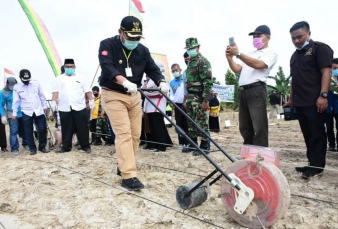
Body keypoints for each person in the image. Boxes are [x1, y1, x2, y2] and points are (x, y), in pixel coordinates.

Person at [98, 16, 168, 191]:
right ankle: (128, 175)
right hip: (114, 94)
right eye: (131, 37)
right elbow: (107, 67)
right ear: (120, 32)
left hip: (134, 96)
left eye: (138, 37)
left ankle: (123, 163)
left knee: (136, 134)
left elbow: (152, 67)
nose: (134, 41)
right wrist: (123, 81)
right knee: (123, 134)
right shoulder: (107, 45)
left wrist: (161, 81)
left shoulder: (142, 50)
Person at [283, 21, 333, 179]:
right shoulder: (294, 56)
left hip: (315, 100)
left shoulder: (320, 49)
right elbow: (294, 80)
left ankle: (317, 166)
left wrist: (323, 95)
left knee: (317, 133)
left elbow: (326, 72)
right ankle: (312, 162)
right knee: (307, 133)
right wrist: (291, 100)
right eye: (293, 38)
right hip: (300, 102)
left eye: (299, 37)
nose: (296, 40)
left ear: (309, 34)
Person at [226, 25, 278, 147]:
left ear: (268, 37)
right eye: (254, 36)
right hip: (244, 91)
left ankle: (260, 153)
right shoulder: (250, 53)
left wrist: (238, 54)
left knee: (259, 125)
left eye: (258, 36)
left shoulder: (271, 52)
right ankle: (248, 151)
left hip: (256, 89)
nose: (255, 39)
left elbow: (259, 64)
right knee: (245, 126)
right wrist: (230, 59)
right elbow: (238, 69)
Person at [51, 59, 94, 154]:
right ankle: (66, 147)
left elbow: (87, 90)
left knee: (82, 127)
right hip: (64, 106)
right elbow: (55, 91)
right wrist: (53, 101)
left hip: (79, 106)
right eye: (67, 67)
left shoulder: (81, 77)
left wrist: (91, 100)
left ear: (75, 67)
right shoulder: (59, 78)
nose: (69, 68)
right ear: (64, 67)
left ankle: (85, 146)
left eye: (71, 67)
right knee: (66, 128)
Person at [181, 37, 213, 156]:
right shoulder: (190, 63)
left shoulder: (202, 61)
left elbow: (208, 83)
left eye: (193, 48)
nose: (191, 50)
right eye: (189, 48)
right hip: (190, 97)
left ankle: (204, 146)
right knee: (191, 122)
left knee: (202, 122)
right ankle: (193, 143)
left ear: (198, 48)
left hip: (199, 98)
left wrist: (206, 100)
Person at [12, 69, 49, 155]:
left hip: (38, 110)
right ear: (20, 78)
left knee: (42, 129)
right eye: (24, 80)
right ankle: (32, 149)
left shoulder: (36, 83)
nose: (27, 81)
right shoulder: (17, 87)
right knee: (28, 131)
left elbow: (41, 95)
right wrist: (14, 113)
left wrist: (44, 106)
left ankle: (42, 147)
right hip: (26, 111)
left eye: (28, 79)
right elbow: (16, 101)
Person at [0, 77, 29, 156]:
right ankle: (14, 147)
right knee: (13, 131)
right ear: (7, 84)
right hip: (12, 114)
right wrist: (2, 115)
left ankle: (26, 143)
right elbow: (1, 105)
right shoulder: (3, 92)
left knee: (25, 129)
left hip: (23, 112)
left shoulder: (20, 89)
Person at [143, 76, 173, 152]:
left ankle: (162, 146)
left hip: (157, 106)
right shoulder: (148, 81)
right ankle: (156, 145)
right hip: (149, 107)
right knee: (152, 127)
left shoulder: (161, 79)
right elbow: (145, 92)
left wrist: (147, 92)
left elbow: (161, 93)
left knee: (158, 127)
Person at [169, 63, 188, 149]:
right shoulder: (172, 83)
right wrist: (171, 102)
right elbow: (171, 94)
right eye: (173, 71)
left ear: (180, 70)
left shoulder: (185, 80)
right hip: (177, 105)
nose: (175, 72)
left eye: (176, 70)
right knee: (179, 124)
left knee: (187, 124)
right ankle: (181, 142)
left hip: (186, 104)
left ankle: (188, 142)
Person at [325, 58, 338, 151]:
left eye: (335, 68)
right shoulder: (327, 79)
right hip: (328, 107)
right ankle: (331, 145)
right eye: (332, 68)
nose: (334, 70)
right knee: (329, 127)